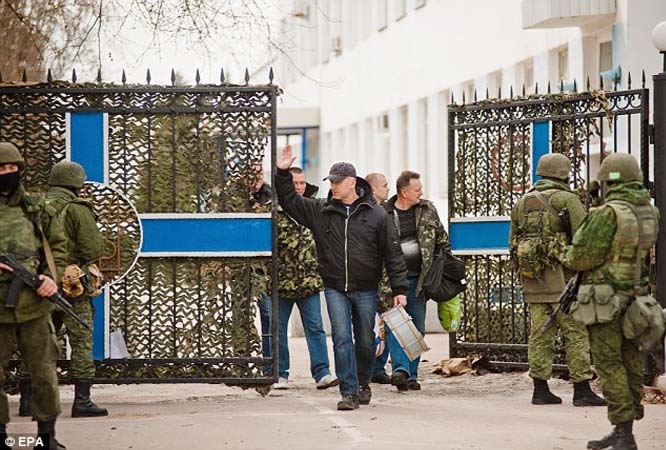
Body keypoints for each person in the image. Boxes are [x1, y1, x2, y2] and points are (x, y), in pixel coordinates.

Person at [275, 145, 408, 411]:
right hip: (335, 286)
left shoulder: (376, 214)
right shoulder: (321, 210)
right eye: (331, 181)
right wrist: (282, 172)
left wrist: (399, 288)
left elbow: (392, 253)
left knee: (366, 340)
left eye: (337, 182)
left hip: (366, 288)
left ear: (352, 183)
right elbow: (290, 201)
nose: (333, 186)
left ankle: (362, 383)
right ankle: (348, 392)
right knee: (341, 338)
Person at [563, 153, 659, 450]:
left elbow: (581, 256)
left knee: (609, 363)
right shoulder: (649, 211)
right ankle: (626, 424)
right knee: (631, 359)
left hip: (604, 299)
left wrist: (566, 254)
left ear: (608, 181)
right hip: (637, 297)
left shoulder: (608, 213)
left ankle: (623, 431)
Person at [509, 153, 605, 407]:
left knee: (540, 333)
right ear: (563, 173)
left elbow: (513, 243)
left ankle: (540, 390)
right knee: (575, 332)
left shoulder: (522, 202)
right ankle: (582, 390)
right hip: (565, 281)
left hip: (534, 280)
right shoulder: (567, 199)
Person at [0, 142, 68, 449]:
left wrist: (51, 280)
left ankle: (46, 437)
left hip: (34, 303)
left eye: (11, 169)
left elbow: (57, 247)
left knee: (44, 372)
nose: (6, 174)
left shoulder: (35, 207)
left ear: (20, 171)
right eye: (0, 170)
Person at [43, 161, 107, 418]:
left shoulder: (34, 207)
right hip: (73, 285)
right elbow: (93, 249)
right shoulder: (78, 209)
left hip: (39, 283)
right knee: (80, 340)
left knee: (39, 340)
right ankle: (82, 401)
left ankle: (27, 399)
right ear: (77, 183)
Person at [270, 167, 338, 390]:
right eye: (294, 183)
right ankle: (280, 374)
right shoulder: (273, 210)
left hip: (309, 280)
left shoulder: (316, 207)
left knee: (316, 327)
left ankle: (322, 372)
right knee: (278, 329)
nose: (299, 187)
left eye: (301, 183)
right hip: (281, 282)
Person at [382, 171, 449, 391]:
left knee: (417, 328)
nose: (421, 192)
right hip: (391, 281)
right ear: (404, 192)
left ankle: (411, 374)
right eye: (417, 189)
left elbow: (442, 239)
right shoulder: (384, 212)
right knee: (396, 326)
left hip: (420, 280)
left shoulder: (428, 209)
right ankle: (400, 370)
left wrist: (442, 269)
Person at [365, 172, 392, 385]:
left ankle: (379, 366)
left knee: (385, 323)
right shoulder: (363, 211)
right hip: (366, 279)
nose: (388, 189)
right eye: (384, 185)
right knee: (366, 325)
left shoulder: (387, 211)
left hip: (386, 279)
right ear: (373, 188)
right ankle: (366, 366)